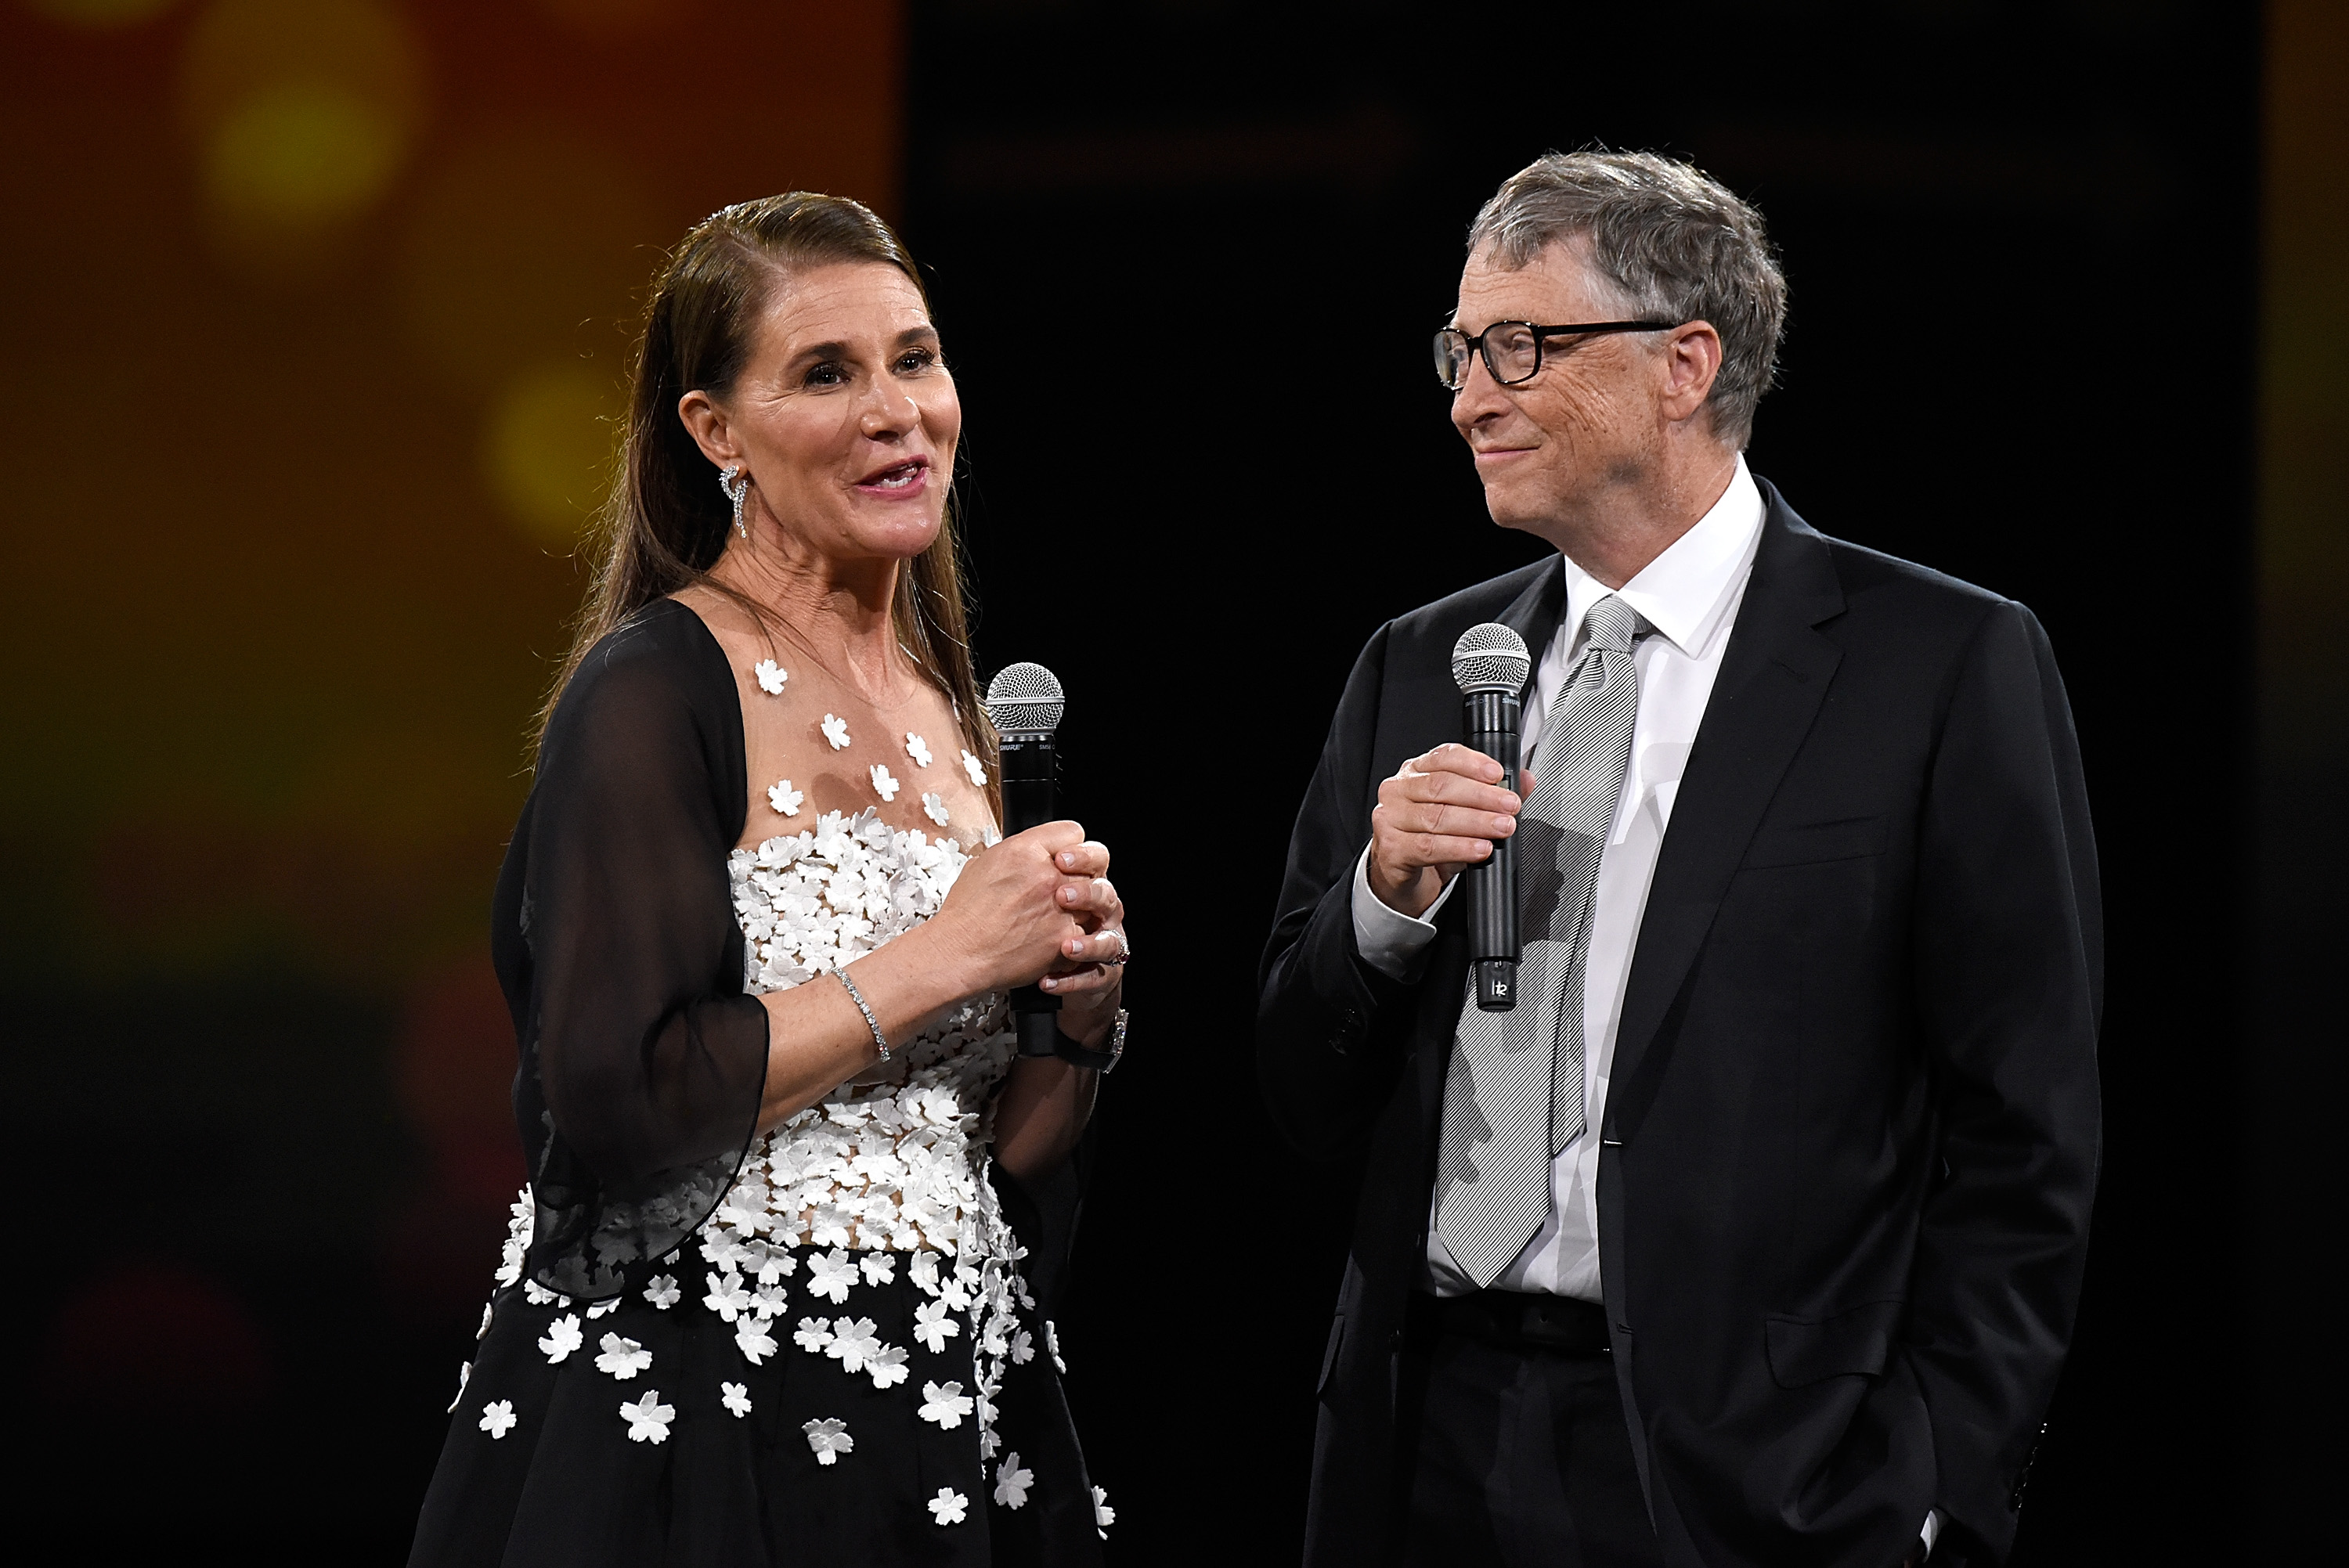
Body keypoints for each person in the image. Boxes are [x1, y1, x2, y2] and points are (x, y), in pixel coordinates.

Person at [1257, 152, 2100, 1568]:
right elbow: (1295, 1097)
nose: (1471, 400)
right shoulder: (1420, 665)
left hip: (1764, 1476)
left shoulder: (1939, 665)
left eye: (1522, 347)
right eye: (1461, 352)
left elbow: (2027, 1130)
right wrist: (1380, 910)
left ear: (1685, 364)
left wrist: (1939, 1481)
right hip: (1427, 1447)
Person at [410, 193, 1128, 1567]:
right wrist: (950, 955)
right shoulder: (655, 689)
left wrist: (1075, 1024)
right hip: (703, 1402)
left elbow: (987, 1158)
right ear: (715, 431)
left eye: (915, 359)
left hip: (939, 1405)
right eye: (827, 374)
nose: (896, 413)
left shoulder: (955, 715)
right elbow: (621, 1094)